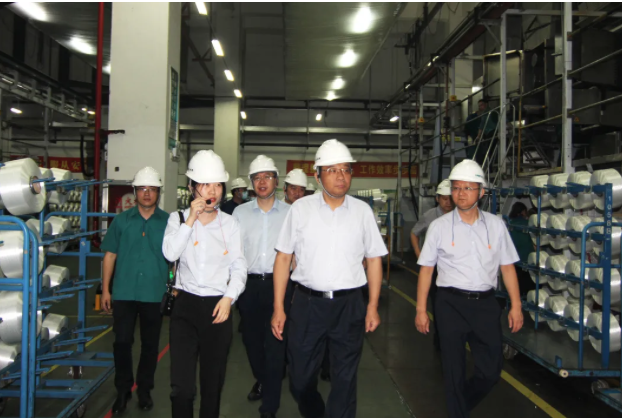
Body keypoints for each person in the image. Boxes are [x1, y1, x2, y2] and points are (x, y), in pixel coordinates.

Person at [271, 139, 388, 418]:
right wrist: (278, 307)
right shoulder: (300, 209)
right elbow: (283, 258)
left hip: (349, 305)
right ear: (317, 175)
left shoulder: (362, 212)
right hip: (308, 304)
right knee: (299, 378)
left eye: (345, 169)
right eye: (332, 170)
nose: (341, 176)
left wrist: (372, 305)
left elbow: (374, 259)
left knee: (345, 379)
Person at [415, 159, 523, 418]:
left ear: (481, 192)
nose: (460, 193)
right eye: (456, 188)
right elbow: (427, 270)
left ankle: (459, 405)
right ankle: (457, 411)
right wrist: (420, 310)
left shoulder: (496, 225)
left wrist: (516, 305)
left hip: (485, 304)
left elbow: (507, 267)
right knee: (453, 369)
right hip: (450, 304)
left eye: (467, 188)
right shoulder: (439, 227)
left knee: (491, 371)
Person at [162, 150, 247, 418]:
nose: (212, 191)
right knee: (182, 388)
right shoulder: (177, 219)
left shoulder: (230, 224)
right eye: (205, 184)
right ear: (191, 187)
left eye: (217, 185)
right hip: (185, 307)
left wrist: (229, 298)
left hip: (217, 308)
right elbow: (170, 253)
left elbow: (239, 267)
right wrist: (190, 219)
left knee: (212, 385)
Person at [101, 166, 169, 413]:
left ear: (159, 192)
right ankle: (123, 390)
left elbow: (177, 258)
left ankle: (144, 390)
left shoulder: (169, 222)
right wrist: (105, 290)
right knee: (121, 342)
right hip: (124, 292)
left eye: (152, 189)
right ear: (135, 191)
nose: (147, 193)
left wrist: (174, 285)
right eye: (142, 189)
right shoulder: (121, 221)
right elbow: (110, 255)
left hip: (154, 293)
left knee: (150, 345)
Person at [233, 155, 292, 418]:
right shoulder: (240, 213)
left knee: (276, 345)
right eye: (257, 177)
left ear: (276, 181)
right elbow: (233, 253)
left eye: (267, 176)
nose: (262, 181)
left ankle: (270, 406)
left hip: (281, 287)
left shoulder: (291, 213)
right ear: (251, 183)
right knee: (252, 343)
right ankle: (264, 380)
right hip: (249, 287)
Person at [410, 178, 454, 350]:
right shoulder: (429, 216)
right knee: (438, 301)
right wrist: (418, 253)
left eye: (450, 198)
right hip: (433, 267)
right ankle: (440, 336)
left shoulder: (459, 215)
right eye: (444, 198)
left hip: (451, 266)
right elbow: (414, 233)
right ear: (437, 198)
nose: (448, 202)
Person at [508, 202, 535, 295]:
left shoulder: (510, 224)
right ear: (523, 211)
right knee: (530, 288)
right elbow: (535, 242)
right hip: (527, 259)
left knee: (517, 286)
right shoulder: (528, 224)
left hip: (514, 260)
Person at [467, 100, 499, 165]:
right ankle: (493, 163)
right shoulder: (494, 111)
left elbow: (481, 126)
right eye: (479, 106)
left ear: (486, 104)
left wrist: (478, 137)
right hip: (496, 132)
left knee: (489, 150)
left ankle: (490, 165)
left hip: (490, 133)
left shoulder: (486, 113)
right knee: (493, 150)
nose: (480, 107)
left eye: (481, 105)